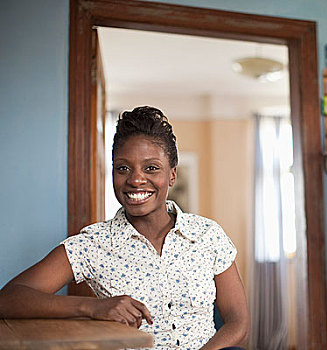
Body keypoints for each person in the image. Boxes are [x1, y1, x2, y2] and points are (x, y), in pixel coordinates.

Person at [0, 106, 250, 350]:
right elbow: (8, 299)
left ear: (172, 175)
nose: (135, 179)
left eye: (151, 168)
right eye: (123, 168)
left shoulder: (208, 234)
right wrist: (95, 308)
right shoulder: (93, 243)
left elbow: (238, 321)